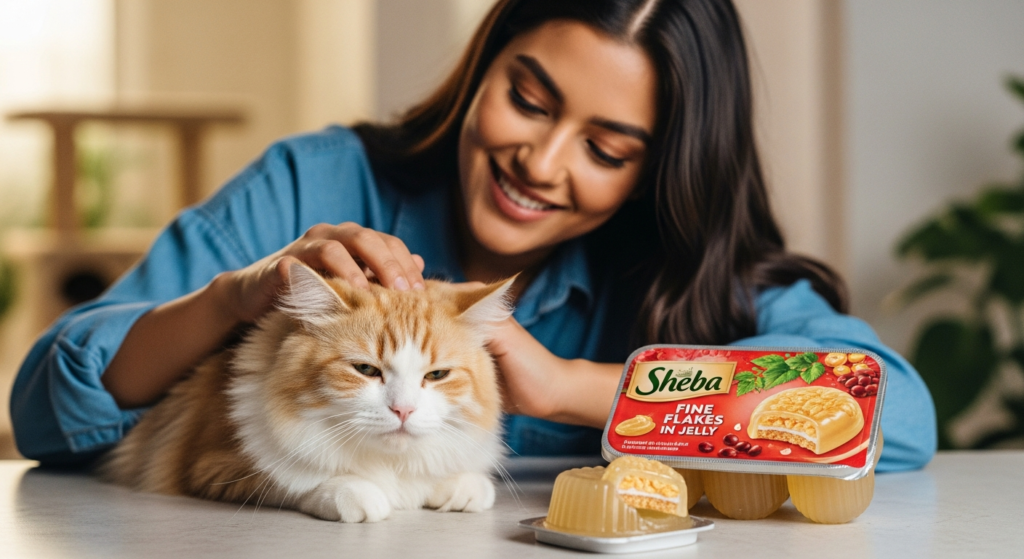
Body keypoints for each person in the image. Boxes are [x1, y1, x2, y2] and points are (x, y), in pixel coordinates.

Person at [10, 0, 936, 471]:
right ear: (482, 65)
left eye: (606, 150)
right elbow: (50, 407)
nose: (542, 162)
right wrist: (233, 297)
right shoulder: (316, 183)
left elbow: (889, 411)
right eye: (527, 99)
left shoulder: (686, 268)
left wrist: (573, 388)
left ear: (659, 172)